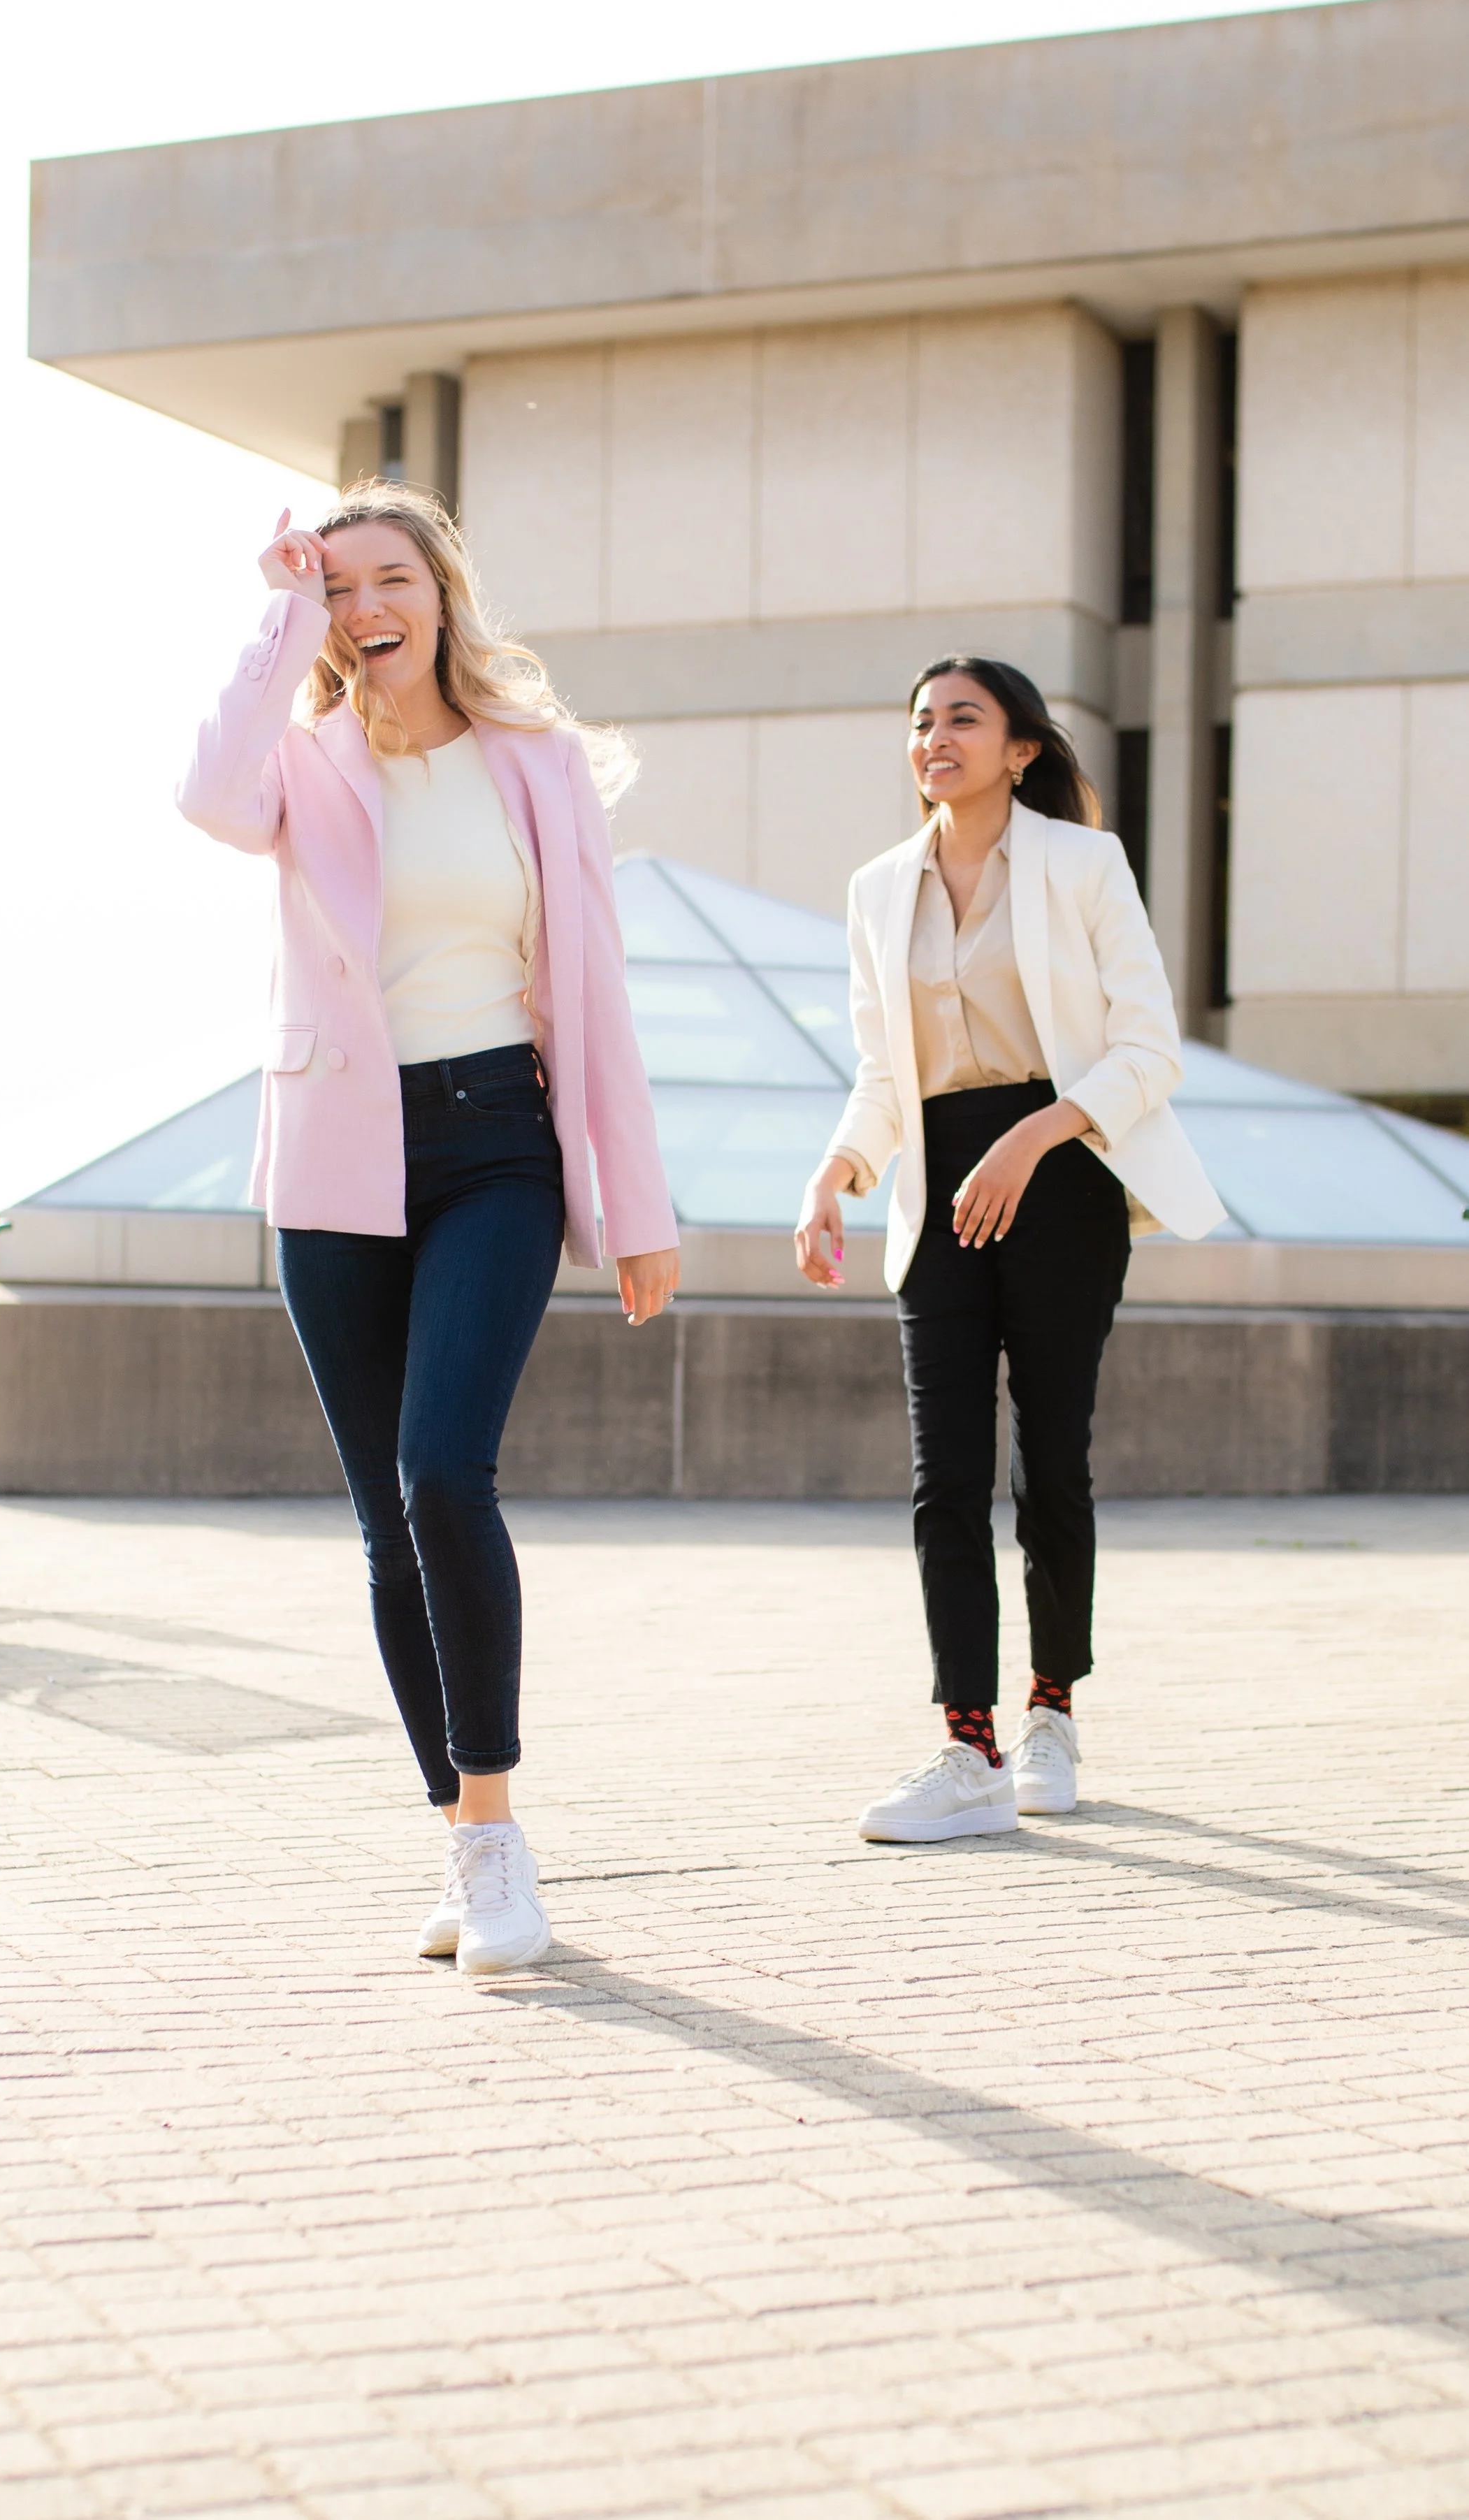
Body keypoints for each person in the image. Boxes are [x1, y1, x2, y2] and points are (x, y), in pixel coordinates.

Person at [180, 482, 679, 1971]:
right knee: (383, 1522)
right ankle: (462, 1842)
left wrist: (633, 1204)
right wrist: (276, 610)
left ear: (441, 594)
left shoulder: (534, 763)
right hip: (338, 1152)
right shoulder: (299, 763)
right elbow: (203, 794)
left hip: (493, 1147)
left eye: (387, 579)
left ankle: (500, 1830)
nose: (363, 608)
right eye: (335, 590)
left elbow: (593, 988)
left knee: (441, 1472)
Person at [795, 658, 1224, 1841]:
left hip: (1063, 1169)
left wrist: (1037, 1135)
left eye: (962, 719)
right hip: (937, 1181)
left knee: (1051, 1459)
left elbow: (1149, 1049)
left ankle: (1052, 1710)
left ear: (1020, 748)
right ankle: (966, 1743)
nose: (935, 736)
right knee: (944, 1473)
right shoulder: (878, 887)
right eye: (920, 719)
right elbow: (888, 1073)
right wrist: (839, 1171)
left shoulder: (1084, 864)